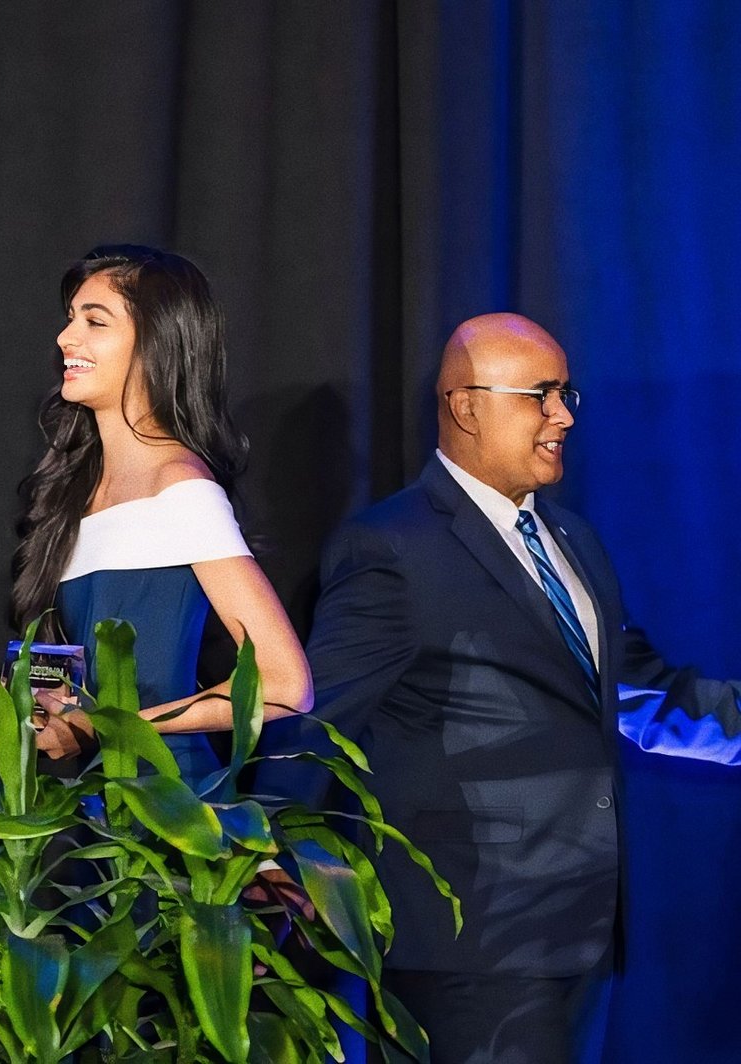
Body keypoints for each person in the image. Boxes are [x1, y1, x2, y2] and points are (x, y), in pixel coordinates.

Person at [260, 312, 741, 1063]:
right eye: (540, 395)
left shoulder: (575, 539)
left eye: (566, 394)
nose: (563, 416)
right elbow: (315, 724)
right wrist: (262, 856)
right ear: (466, 407)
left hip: (581, 941)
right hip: (468, 946)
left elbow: (637, 691)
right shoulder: (390, 546)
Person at [0, 245, 312, 773]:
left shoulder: (180, 487)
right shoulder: (72, 494)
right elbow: (62, 696)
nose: (67, 338)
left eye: (96, 321)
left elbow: (285, 683)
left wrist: (106, 726)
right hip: (93, 810)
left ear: (156, 343)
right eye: (70, 320)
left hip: (172, 812)